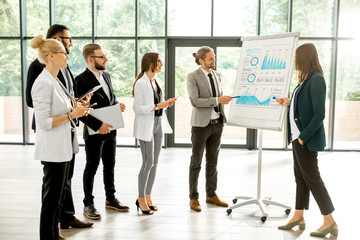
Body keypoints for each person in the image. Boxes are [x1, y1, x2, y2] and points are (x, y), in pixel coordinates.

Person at [26, 24, 93, 234]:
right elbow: (44, 121)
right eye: (64, 53)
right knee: (51, 199)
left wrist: (76, 107)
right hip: (53, 149)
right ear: (52, 56)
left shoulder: (55, 80)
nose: (68, 56)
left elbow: (64, 105)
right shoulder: (43, 82)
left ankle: (54, 234)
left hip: (61, 146)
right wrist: (71, 114)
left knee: (56, 199)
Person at [277, 43, 337, 237]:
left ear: (305, 57)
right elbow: (302, 107)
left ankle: (330, 221)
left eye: (297, 57)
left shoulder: (317, 80)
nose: (294, 61)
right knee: (301, 179)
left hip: (305, 139)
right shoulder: (305, 80)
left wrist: (303, 138)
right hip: (297, 138)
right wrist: (288, 102)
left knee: (313, 180)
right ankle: (298, 216)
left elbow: (319, 114)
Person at [75, 43, 129, 220]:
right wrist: (98, 126)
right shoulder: (80, 80)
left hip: (111, 129)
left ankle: (110, 198)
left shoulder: (106, 75)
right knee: (92, 166)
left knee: (110, 165)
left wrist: (116, 104)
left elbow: (108, 99)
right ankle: (88, 204)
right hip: (94, 131)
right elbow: (80, 110)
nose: (106, 59)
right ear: (91, 59)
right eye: (102, 56)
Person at [186, 46, 232, 212]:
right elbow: (195, 101)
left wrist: (222, 100)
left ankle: (211, 194)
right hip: (200, 126)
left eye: (214, 58)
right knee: (196, 162)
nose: (214, 61)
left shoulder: (218, 75)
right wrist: (217, 99)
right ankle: (193, 197)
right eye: (210, 59)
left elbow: (218, 98)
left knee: (213, 162)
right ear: (201, 61)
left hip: (217, 124)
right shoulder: (192, 76)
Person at [132, 52, 176, 215]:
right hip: (146, 126)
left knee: (155, 162)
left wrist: (165, 104)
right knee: (147, 162)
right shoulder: (141, 83)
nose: (161, 64)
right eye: (159, 61)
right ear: (151, 63)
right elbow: (137, 108)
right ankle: (140, 198)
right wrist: (157, 106)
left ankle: (148, 196)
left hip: (158, 124)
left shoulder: (157, 81)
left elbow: (157, 103)